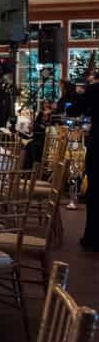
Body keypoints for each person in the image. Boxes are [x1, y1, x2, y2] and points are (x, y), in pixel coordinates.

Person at [67, 76, 99, 251]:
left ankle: (93, 238)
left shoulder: (94, 89)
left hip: (98, 145)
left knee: (95, 192)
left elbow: (73, 110)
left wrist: (79, 93)